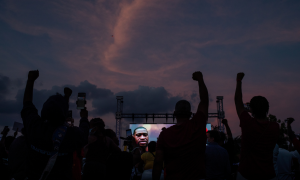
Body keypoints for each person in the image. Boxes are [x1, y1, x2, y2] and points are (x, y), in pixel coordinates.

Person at [21, 70, 90, 180]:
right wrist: (84, 118)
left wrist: (30, 80)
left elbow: (27, 104)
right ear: (65, 114)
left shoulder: (34, 127)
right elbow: (84, 132)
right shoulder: (72, 135)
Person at [153, 71, 209, 180]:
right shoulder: (197, 125)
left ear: (174, 114)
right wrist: (200, 79)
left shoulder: (164, 134)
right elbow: (204, 101)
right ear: (190, 114)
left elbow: (158, 161)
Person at [234, 72, 279, 180]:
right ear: (267, 109)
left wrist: (239, 81)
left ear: (252, 109)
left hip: (246, 174)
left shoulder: (248, 122)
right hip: (268, 174)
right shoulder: (275, 126)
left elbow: (238, 101)